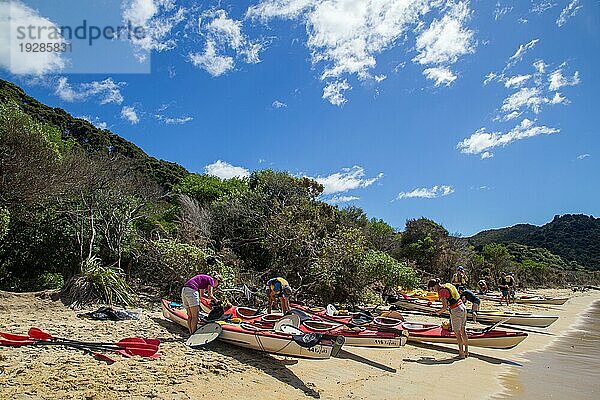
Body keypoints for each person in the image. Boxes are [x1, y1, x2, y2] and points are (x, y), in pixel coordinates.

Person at [428, 278, 469, 358]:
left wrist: (438, 312)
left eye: (433, 289)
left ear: (435, 286)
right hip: (463, 307)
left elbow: (444, 307)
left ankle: (461, 353)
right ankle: (466, 351)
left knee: (457, 333)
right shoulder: (447, 285)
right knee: (463, 331)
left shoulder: (441, 291)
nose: (434, 291)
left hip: (456, 310)